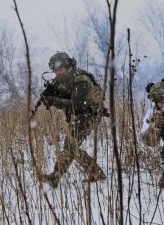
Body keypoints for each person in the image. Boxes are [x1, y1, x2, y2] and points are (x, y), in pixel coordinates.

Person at [40, 51, 107, 188]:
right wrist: (50, 94)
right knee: (72, 147)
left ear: (68, 66)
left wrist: (53, 100)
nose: (58, 73)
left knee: (70, 146)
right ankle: (96, 173)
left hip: (88, 115)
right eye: (56, 70)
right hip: (79, 116)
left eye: (61, 69)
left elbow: (76, 105)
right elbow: (66, 97)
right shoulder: (63, 80)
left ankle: (55, 177)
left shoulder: (81, 80)